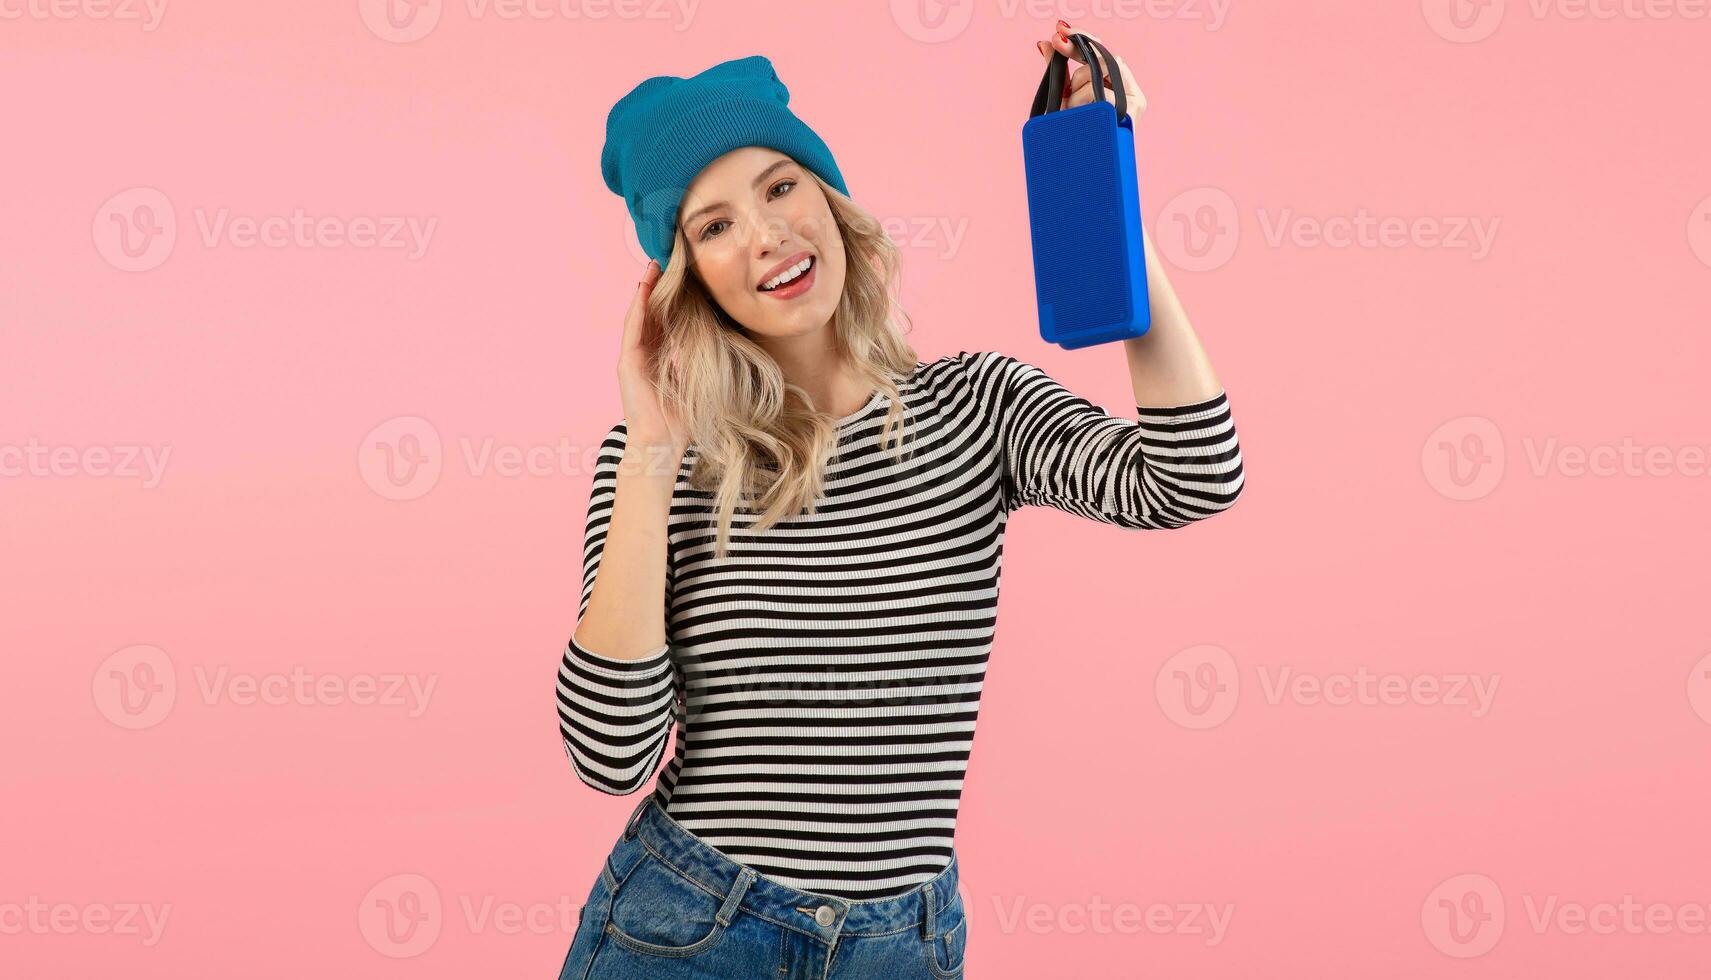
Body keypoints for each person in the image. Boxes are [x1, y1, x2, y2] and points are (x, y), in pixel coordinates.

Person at [556, 28, 1244, 980]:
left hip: (902, 945)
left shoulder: (974, 408)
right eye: (712, 226)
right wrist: (653, 449)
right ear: (685, 283)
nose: (765, 234)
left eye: (780, 186)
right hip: (691, 930)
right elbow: (609, 753)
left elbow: (1193, 476)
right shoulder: (658, 462)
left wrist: (1106, 194)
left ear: (831, 201)